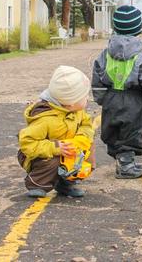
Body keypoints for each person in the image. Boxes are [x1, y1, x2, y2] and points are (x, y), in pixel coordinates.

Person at [92, 5, 142, 178]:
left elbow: (97, 76)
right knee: (132, 131)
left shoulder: (105, 54)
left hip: (111, 97)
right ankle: (126, 166)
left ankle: (122, 161)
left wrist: (101, 98)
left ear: (115, 27)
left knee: (114, 129)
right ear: (139, 29)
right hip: (134, 100)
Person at [17, 65, 95, 198]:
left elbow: (86, 124)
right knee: (53, 161)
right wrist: (55, 147)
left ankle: (65, 184)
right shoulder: (45, 119)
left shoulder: (77, 112)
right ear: (70, 103)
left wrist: (82, 137)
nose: (87, 98)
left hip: (68, 151)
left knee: (86, 154)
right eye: (84, 96)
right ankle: (37, 183)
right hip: (39, 154)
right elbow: (26, 143)